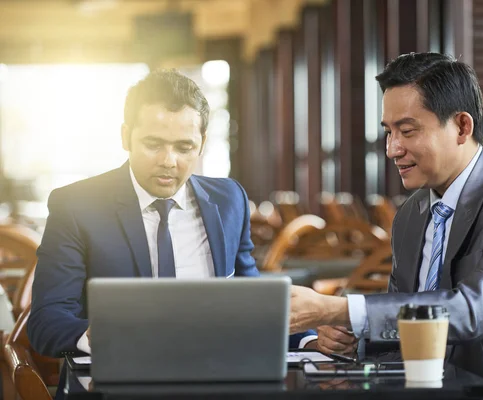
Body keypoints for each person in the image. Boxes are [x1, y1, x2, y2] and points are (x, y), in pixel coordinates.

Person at [289, 53, 483, 399]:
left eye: (407, 131)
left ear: (462, 127)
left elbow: (475, 309)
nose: (392, 149)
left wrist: (339, 308)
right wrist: (354, 337)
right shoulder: (411, 215)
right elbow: (405, 326)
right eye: (388, 132)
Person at [28, 70, 316, 398]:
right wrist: (93, 335)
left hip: (217, 382)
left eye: (184, 147)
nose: (169, 161)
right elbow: (45, 322)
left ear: (202, 144)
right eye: (153, 145)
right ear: (126, 137)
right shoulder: (77, 205)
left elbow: (250, 303)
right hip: (113, 387)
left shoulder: (228, 199)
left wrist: (310, 339)